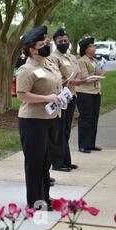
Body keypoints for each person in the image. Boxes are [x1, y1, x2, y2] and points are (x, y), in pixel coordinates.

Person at [16, 25, 62, 210]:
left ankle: (45, 197)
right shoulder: (27, 69)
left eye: (47, 42)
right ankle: (36, 202)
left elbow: (54, 85)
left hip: (51, 118)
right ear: (32, 49)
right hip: (33, 121)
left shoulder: (49, 63)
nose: (46, 45)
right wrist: (46, 98)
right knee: (35, 163)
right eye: (42, 43)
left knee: (46, 161)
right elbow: (22, 94)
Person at [48, 28, 81, 171]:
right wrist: (66, 81)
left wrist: (78, 80)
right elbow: (54, 77)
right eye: (60, 41)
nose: (63, 43)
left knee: (66, 130)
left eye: (66, 41)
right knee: (59, 130)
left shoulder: (71, 57)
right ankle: (58, 162)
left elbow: (78, 73)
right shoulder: (53, 57)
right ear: (55, 42)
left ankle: (66, 160)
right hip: (61, 97)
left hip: (71, 96)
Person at [76, 37, 105, 154]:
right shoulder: (82, 61)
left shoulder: (94, 60)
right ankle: (83, 145)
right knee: (85, 118)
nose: (94, 47)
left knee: (94, 117)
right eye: (92, 46)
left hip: (96, 91)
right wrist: (96, 75)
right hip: (85, 92)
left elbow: (98, 72)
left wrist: (101, 73)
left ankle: (91, 143)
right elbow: (83, 78)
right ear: (86, 49)